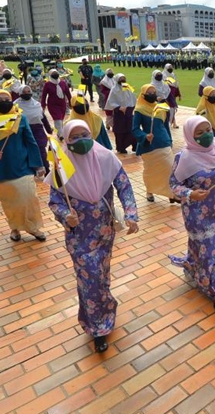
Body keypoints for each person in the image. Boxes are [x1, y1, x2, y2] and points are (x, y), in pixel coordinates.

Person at [45, 120, 139, 353]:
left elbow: (124, 186)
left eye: (84, 134)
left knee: (102, 274)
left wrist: (131, 214)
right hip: (79, 236)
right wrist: (66, 216)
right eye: (74, 137)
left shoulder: (106, 157)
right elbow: (55, 201)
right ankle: (98, 327)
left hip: (104, 231)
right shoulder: (61, 167)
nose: (81, 140)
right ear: (66, 140)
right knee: (90, 278)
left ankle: (103, 308)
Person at [169, 117, 215, 312]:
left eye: (208, 129)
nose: (206, 134)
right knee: (209, 251)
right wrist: (190, 194)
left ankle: (194, 266)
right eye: (199, 133)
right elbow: (174, 185)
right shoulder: (184, 158)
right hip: (197, 215)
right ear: (190, 135)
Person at [0, 90, 46, 242]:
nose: (4, 101)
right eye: (0, 99)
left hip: (23, 166)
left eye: (7, 98)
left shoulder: (20, 118)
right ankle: (15, 228)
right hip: (1, 170)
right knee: (10, 202)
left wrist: (39, 165)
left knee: (29, 198)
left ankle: (33, 227)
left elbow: (31, 143)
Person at [133, 84, 176, 203]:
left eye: (154, 92)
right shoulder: (139, 110)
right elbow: (135, 129)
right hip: (148, 145)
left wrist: (170, 140)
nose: (153, 95)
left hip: (163, 141)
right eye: (150, 93)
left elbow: (165, 125)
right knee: (150, 170)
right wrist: (144, 136)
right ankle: (149, 190)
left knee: (169, 167)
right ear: (143, 95)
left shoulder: (160, 108)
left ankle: (170, 193)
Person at [16, 84, 54, 174]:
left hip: (38, 130)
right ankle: (32, 169)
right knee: (27, 150)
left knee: (41, 149)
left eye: (28, 91)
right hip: (23, 131)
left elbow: (43, 118)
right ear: (20, 93)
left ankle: (46, 168)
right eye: (24, 92)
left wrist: (48, 129)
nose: (27, 93)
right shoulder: (15, 105)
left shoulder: (36, 104)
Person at [105, 73, 137, 154]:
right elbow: (111, 101)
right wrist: (119, 107)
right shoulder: (114, 89)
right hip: (119, 113)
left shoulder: (128, 87)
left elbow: (133, 98)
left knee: (131, 129)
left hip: (129, 112)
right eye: (120, 79)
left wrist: (131, 107)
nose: (122, 80)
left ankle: (134, 146)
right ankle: (121, 147)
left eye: (123, 78)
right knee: (120, 131)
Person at [41, 69, 72, 134]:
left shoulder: (62, 83)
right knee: (58, 119)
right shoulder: (47, 84)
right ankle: (60, 135)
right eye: (53, 73)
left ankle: (59, 132)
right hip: (53, 105)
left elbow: (68, 93)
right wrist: (43, 105)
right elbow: (44, 95)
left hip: (62, 105)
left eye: (56, 72)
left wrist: (71, 102)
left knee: (61, 119)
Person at [161, 63, 180, 128]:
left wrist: (178, 93)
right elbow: (166, 84)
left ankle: (174, 122)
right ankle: (167, 122)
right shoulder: (163, 75)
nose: (171, 68)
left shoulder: (173, 74)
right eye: (169, 67)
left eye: (171, 67)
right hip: (166, 94)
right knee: (167, 108)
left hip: (173, 93)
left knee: (173, 107)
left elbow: (176, 83)